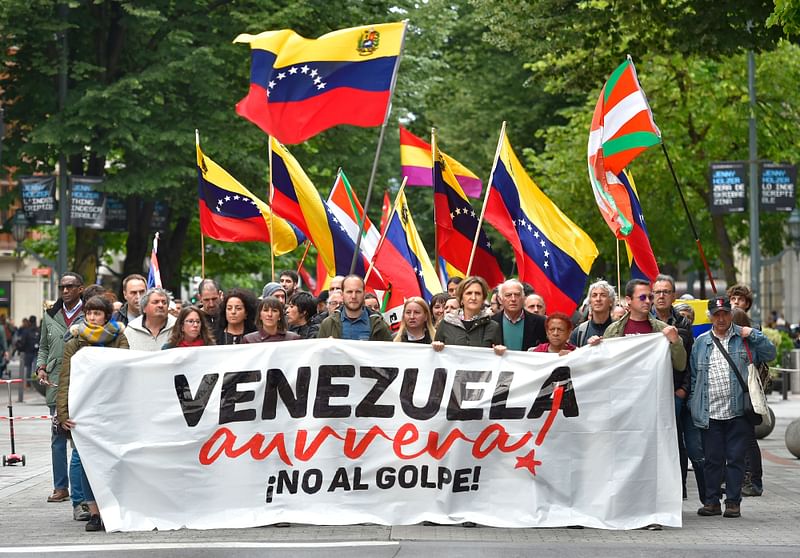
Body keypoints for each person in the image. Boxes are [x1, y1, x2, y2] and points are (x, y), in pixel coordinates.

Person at [691, 296, 776, 519]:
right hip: (710, 412)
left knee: (736, 459)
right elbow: (694, 377)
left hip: (739, 411)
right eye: (716, 314)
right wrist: (694, 404)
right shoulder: (701, 342)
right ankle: (711, 502)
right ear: (710, 317)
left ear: (731, 314)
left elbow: (770, 353)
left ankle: (732, 502)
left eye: (725, 314)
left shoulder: (744, 339)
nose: (721, 318)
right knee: (712, 459)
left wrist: (754, 334)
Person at [56, 295, 128, 532]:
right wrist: (63, 413)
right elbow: (65, 378)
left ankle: (114, 507)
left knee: (114, 460)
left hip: (113, 408)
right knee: (87, 461)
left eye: (97, 313)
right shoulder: (74, 342)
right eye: (89, 313)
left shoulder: (119, 339)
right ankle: (94, 512)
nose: (92, 317)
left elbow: (126, 368)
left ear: (106, 315)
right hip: (84, 410)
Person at [36, 272, 87, 516]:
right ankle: (60, 486)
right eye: (62, 287)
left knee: (81, 436)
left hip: (84, 379)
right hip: (57, 381)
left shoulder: (90, 312)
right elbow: (43, 346)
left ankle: (84, 489)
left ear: (80, 289)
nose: (65, 291)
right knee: (58, 435)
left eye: (70, 286)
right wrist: (41, 366)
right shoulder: (49, 315)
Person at [653, 274, 701, 503]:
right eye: (657, 292)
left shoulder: (682, 324)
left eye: (665, 292)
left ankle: (689, 492)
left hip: (677, 394)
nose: (661, 296)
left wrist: (683, 389)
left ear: (673, 296)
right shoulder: (646, 322)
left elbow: (690, 360)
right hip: (652, 395)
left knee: (684, 446)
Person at [593, 279, 686, 371]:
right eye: (642, 297)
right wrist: (595, 348)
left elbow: (680, 366)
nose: (647, 301)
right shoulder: (613, 330)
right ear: (628, 300)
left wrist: (676, 342)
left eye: (650, 297)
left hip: (653, 385)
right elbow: (603, 367)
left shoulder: (664, 329)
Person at [433, 276, 505, 355]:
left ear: (483, 299)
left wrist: (499, 351)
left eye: (477, 293)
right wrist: (436, 347)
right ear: (461, 299)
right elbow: (436, 356)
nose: (473, 297)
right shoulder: (445, 324)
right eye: (469, 293)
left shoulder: (493, 327)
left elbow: (497, 361)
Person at [318, 275, 392, 341]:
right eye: (349, 292)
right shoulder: (328, 324)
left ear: (364, 293)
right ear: (342, 294)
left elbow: (388, 353)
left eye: (358, 292)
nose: (353, 296)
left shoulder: (379, 324)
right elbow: (320, 354)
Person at [491, 279, 546, 352]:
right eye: (508, 295)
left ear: (524, 298)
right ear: (500, 300)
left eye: (517, 295)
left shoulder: (540, 322)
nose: (513, 299)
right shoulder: (491, 322)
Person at [570, 280, 616, 347]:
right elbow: (573, 356)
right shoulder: (579, 333)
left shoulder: (620, 330)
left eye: (603, 295)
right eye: (594, 295)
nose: (598, 299)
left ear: (611, 301)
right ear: (590, 302)